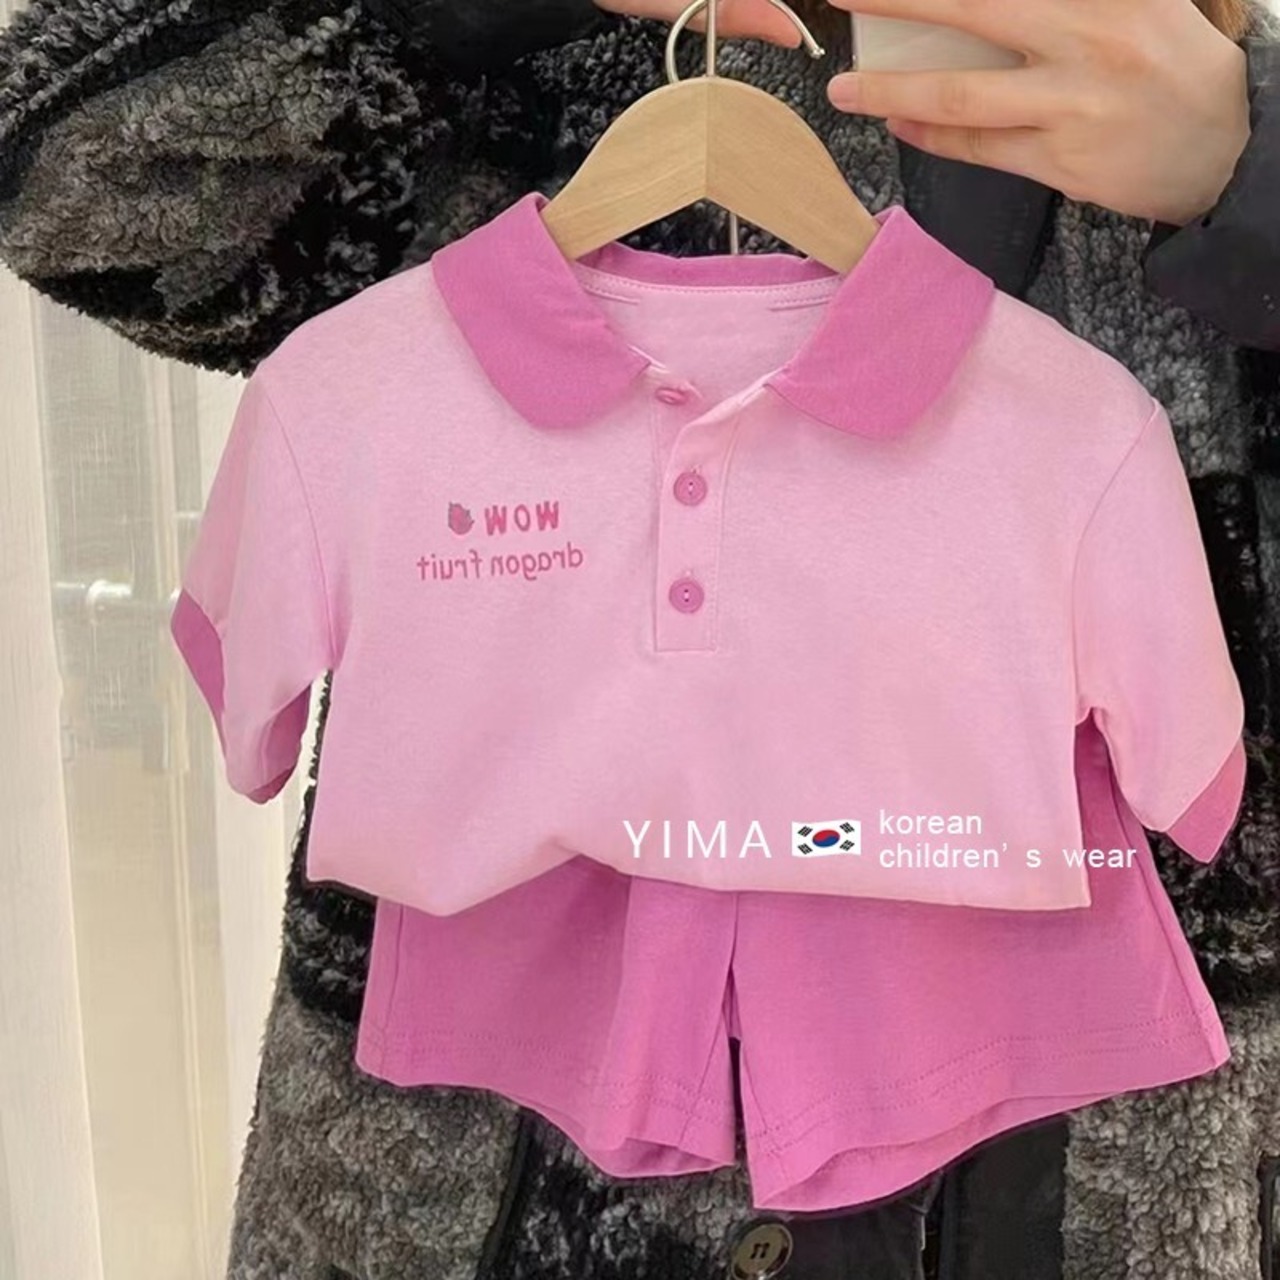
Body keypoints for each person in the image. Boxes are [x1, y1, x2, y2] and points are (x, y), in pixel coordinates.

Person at [1, 1, 1277, 1276]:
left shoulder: (1075, 399)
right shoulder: (365, 366)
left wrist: (1249, 158)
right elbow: (69, 173)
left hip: (1067, 1145)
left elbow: (1191, 773)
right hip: (474, 1153)